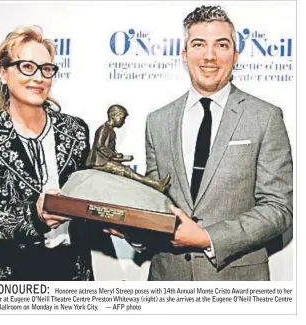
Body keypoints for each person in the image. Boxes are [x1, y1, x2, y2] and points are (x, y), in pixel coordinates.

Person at [109, 5, 293, 281]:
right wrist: (136, 229)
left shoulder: (265, 117)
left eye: (221, 44)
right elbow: (156, 201)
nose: (209, 56)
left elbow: (278, 208)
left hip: (236, 286)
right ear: (184, 55)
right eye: (198, 44)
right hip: (167, 281)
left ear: (236, 55)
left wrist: (208, 238)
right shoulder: (158, 121)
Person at [0, 25, 93, 281]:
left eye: (46, 69)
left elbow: (89, 201)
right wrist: (34, 215)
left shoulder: (77, 131)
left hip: (72, 277)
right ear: (3, 73)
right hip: (8, 281)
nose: (39, 77)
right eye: (27, 67)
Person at [86, 104, 171, 192]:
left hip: (104, 161)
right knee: (126, 171)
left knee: (126, 169)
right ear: (113, 116)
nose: (123, 122)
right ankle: (156, 184)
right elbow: (99, 146)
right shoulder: (104, 129)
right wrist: (113, 155)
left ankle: (156, 184)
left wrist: (118, 156)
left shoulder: (111, 131)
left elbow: (107, 149)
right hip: (99, 163)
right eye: (122, 118)